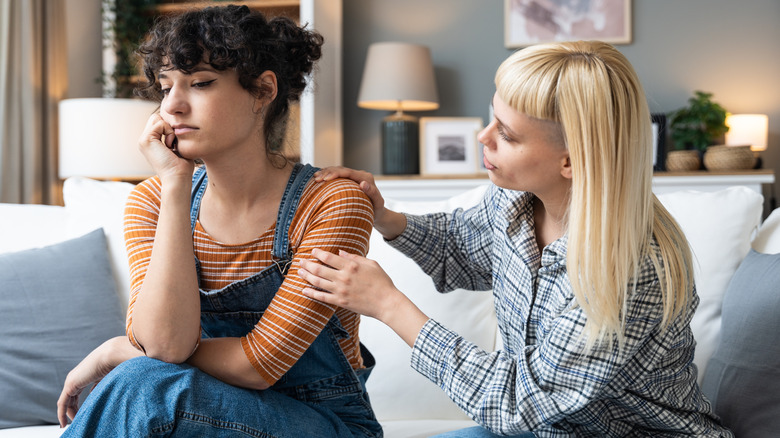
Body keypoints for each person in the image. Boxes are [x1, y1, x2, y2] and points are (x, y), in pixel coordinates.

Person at [298, 41, 732, 437]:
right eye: (493, 119)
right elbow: (460, 247)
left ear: (571, 160)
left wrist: (389, 306)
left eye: (506, 134)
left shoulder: (627, 272)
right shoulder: (515, 203)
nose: (483, 137)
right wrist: (386, 217)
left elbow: (518, 404)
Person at [56, 5, 381, 437]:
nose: (172, 106)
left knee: (146, 385)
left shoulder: (331, 202)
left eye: (201, 83)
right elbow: (164, 346)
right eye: (166, 86)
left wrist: (119, 351)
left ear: (263, 91)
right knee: (146, 380)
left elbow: (258, 366)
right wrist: (174, 186)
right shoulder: (152, 201)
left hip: (324, 424)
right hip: (205, 419)